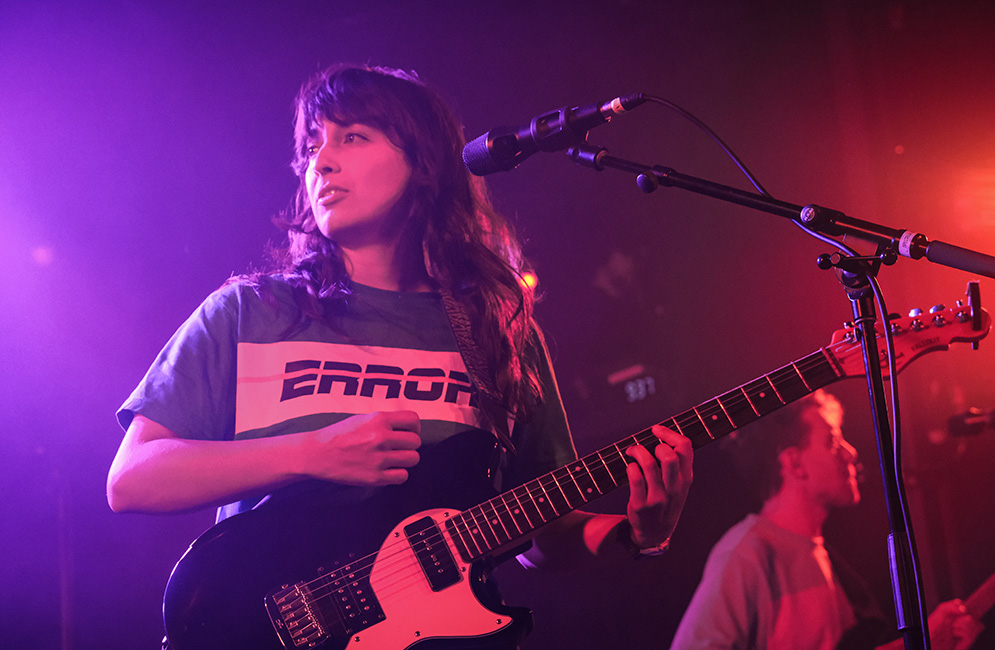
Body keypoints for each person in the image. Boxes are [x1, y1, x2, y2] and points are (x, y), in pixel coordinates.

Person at [106, 64, 693, 647]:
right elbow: (132, 479)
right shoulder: (248, 312)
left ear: (424, 163)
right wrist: (312, 453)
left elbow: (541, 532)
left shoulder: (497, 331)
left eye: (352, 137)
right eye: (313, 145)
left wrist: (641, 536)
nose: (321, 161)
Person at [668, 389, 983, 650]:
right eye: (833, 441)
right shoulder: (745, 553)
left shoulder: (820, 554)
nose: (851, 452)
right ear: (794, 463)